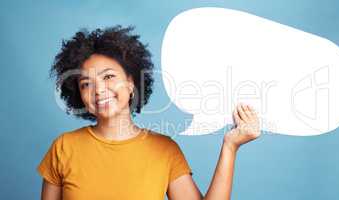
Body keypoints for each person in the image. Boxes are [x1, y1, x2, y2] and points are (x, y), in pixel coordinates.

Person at [37, 25, 261, 200]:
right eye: (86, 83)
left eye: (108, 77)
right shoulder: (64, 148)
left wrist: (230, 147)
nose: (99, 91)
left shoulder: (164, 150)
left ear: (131, 82)